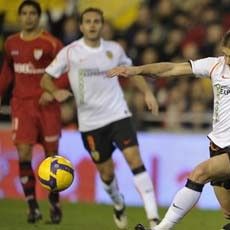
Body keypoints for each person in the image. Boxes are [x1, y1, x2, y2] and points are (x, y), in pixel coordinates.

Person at [40, 7, 160, 229]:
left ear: (102, 25)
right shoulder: (70, 52)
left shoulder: (114, 50)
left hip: (118, 115)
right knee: (106, 173)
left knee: (135, 159)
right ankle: (118, 203)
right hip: (90, 124)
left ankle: (153, 218)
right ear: (81, 26)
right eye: (88, 21)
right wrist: (54, 91)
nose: (92, 25)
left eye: (96, 21)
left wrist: (147, 92)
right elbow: (46, 77)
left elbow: (131, 71)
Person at [107, 30, 230, 230]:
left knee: (199, 173)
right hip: (218, 143)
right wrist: (137, 70)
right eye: (225, 53)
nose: (227, 59)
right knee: (228, 211)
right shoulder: (215, 65)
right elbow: (171, 69)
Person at [0, 0, 69, 224]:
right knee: (24, 154)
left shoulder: (51, 43)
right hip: (22, 106)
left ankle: (54, 203)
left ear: (38, 17)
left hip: (47, 107)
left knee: (52, 159)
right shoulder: (10, 43)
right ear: (19, 17)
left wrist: (54, 90)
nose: (28, 17)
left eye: (32, 13)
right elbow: (7, 73)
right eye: (24, 13)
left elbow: (65, 71)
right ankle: (32, 206)